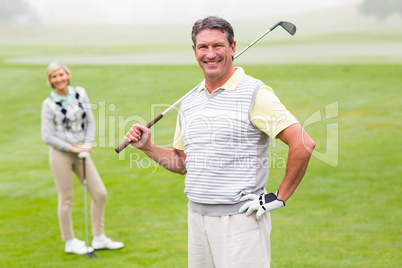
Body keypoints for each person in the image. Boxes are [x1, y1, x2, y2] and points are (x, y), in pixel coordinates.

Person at [124, 16, 315, 267]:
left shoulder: (255, 94)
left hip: (241, 221)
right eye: (203, 47)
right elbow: (183, 163)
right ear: (194, 52)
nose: (210, 54)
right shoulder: (190, 101)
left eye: (218, 46)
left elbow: (303, 142)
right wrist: (148, 146)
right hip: (197, 217)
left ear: (233, 47)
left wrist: (279, 196)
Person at [41, 62, 124, 255]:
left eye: (61, 74)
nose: (59, 79)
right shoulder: (49, 104)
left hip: (82, 152)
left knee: (100, 193)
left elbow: (90, 121)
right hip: (61, 154)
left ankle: (99, 237)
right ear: (50, 80)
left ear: (67, 75)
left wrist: (87, 144)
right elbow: (47, 136)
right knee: (67, 198)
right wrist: (71, 147)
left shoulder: (80, 93)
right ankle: (69, 241)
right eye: (54, 76)